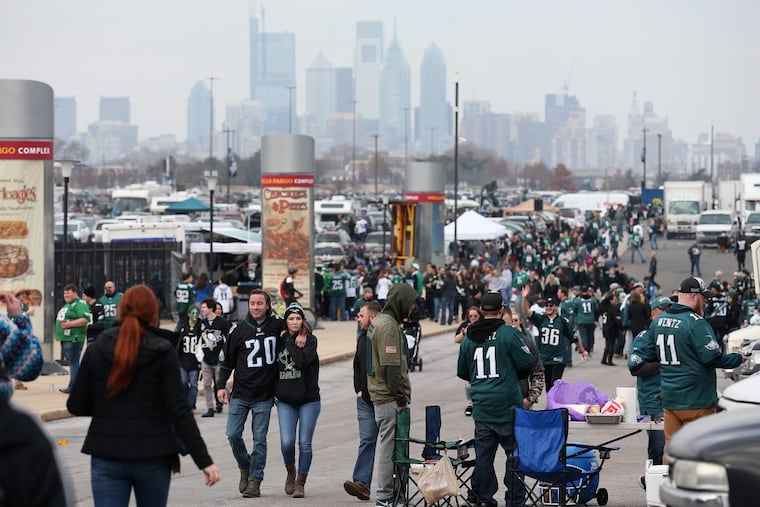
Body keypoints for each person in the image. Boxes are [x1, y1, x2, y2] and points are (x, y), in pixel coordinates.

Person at [66, 285, 220, 506]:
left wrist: (107, 407)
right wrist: (204, 461)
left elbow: (76, 405)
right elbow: (179, 410)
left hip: (107, 451)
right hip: (153, 453)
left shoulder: (98, 348)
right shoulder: (163, 349)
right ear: (153, 313)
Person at [640, 277, 747, 456]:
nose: (705, 301)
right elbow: (712, 358)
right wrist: (738, 358)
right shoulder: (696, 322)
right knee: (699, 449)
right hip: (696, 400)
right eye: (703, 297)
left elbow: (651, 355)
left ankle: (669, 481)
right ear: (693, 296)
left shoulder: (658, 321)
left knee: (671, 448)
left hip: (670, 399)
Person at [457, 291, 536, 507]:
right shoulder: (508, 333)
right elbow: (526, 362)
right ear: (501, 310)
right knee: (514, 456)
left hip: (482, 405)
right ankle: (514, 500)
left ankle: (484, 499)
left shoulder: (469, 337)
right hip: (508, 405)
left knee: (483, 458)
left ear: (482, 311)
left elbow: (463, 372)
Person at [216, 289, 282, 498]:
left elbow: (297, 323)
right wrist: (220, 385)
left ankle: (255, 479)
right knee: (233, 434)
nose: (255, 307)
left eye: (259, 303)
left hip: (264, 395)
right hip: (241, 393)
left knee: (260, 439)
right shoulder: (238, 330)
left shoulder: (276, 325)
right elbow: (226, 362)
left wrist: (302, 336)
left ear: (268, 305)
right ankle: (245, 465)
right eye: (252, 303)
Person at [367, 283, 417, 507]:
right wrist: (399, 397)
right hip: (389, 398)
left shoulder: (381, 322)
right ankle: (386, 495)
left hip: (382, 395)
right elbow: (390, 368)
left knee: (392, 447)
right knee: (390, 449)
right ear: (402, 302)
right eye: (411, 303)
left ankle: (392, 494)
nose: (413, 308)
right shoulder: (388, 327)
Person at [275, 303, 321, 498]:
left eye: (298, 318)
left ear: (303, 321)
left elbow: (301, 362)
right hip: (285, 399)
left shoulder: (310, 340)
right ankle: (291, 471)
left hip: (309, 399)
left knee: (305, 443)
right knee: (287, 442)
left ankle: (300, 482)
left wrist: (288, 339)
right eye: (291, 318)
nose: (294, 322)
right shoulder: (278, 340)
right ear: (286, 321)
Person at [344, 301, 382, 502]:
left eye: (361, 315)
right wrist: (358, 390)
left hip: (384, 400)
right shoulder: (362, 338)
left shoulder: (386, 337)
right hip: (365, 401)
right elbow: (357, 367)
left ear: (373, 318)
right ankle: (362, 484)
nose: (358, 319)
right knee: (367, 440)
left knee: (390, 445)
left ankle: (392, 487)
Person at [628, 296, 672, 468]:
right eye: (664, 310)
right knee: (658, 447)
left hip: (673, 399)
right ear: (654, 314)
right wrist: (663, 362)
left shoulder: (675, 335)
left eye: (670, 310)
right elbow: (634, 367)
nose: (669, 314)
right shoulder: (645, 337)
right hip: (653, 401)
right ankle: (653, 481)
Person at [522, 285, 588, 391]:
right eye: (546, 305)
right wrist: (524, 298)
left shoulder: (562, 321)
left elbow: (573, 337)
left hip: (558, 358)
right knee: (548, 386)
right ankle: (552, 406)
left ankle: (554, 404)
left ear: (555, 307)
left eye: (551, 305)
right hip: (545, 358)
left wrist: (583, 351)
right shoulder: (541, 319)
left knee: (555, 384)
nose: (548, 307)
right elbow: (527, 312)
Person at [506, 308, 545, 410]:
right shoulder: (491, 344)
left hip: (522, 400)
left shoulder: (527, 342)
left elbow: (538, 372)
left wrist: (530, 399)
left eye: (515, 321)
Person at [55, 284, 91, 394]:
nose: (65, 295)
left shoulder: (80, 304)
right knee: (72, 362)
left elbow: (85, 319)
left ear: (75, 292)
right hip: (66, 338)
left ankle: (74, 387)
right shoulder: (68, 305)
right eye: (64, 293)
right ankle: (74, 386)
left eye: (68, 292)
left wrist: (70, 324)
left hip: (73, 338)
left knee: (74, 362)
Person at [199, 297, 230, 417]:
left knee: (221, 383)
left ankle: (231, 401)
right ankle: (210, 408)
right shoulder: (202, 323)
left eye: (204, 307)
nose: (202, 309)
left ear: (210, 308)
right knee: (207, 384)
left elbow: (229, 338)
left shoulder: (222, 322)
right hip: (206, 359)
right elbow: (198, 339)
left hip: (219, 359)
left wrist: (227, 354)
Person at [454, 306, 483, 416]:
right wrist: (464, 333)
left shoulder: (482, 326)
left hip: (480, 355)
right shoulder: (464, 326)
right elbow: (456, 339)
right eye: (471, 316)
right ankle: (470, 403)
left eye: (475, 316)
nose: (473, 318)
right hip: (468, 356)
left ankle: (480, 401)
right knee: (468, 381)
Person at [177, 306, 201, 411]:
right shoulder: (183, 326)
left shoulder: (201, 327)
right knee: (183, 382)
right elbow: (177, 342)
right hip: (183, 360)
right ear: (188, 314)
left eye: (196, 313)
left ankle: (191, 404)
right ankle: (185, 402)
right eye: (192, 313)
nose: (194, 315)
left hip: (195, 361)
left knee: (194, 384)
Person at [572, 285, 599, 356]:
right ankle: (589, 350)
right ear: (587, 291)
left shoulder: (577, 300)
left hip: (581, 320)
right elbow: (596, 310)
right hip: (591, 320)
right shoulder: (593, 299)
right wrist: (596, 320)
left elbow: (574, 310)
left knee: (583, 337)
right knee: (590, 336)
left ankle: (585, 350)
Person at [600, 291, 622, 366]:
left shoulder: (604, 308)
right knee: (611, 345)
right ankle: (609, 360)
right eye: (614, 299)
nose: (616, 300)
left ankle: (604, 359)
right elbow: (615, 319)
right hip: (611, 328)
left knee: (607, 344)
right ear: (611, 300)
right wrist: (620, 327)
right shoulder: (612, 308)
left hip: (605, 327)